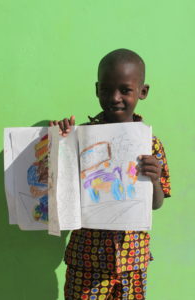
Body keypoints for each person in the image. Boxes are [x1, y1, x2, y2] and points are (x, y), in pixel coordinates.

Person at [50, 49, 171, 300]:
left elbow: (156, 204)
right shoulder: (79, 138)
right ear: (97, 89)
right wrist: (56, 144)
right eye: (106, 89)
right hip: (88, 260)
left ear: (143, 92)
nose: (114, 97)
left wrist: (155, 179)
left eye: (125, 90)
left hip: (133, 262)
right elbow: (58, 189)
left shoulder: (151, 145)